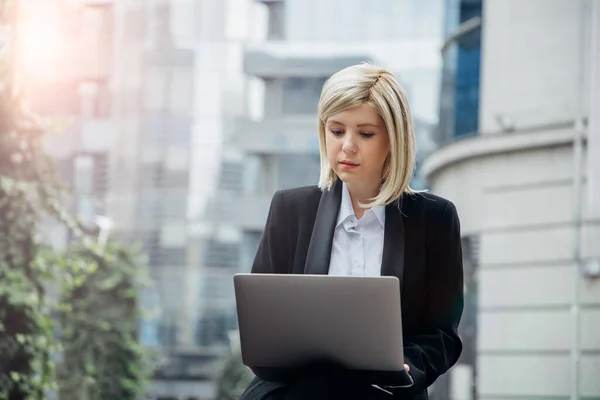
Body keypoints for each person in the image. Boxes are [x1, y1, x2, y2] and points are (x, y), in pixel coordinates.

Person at [239, 63, 464, 400]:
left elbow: (443, 335)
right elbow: (264, 327)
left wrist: (407, 365)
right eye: (336, 130)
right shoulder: (291, 210)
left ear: (393, 138)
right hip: (299, 390)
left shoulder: (434, 219)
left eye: (366, 133)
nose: (347, 146)